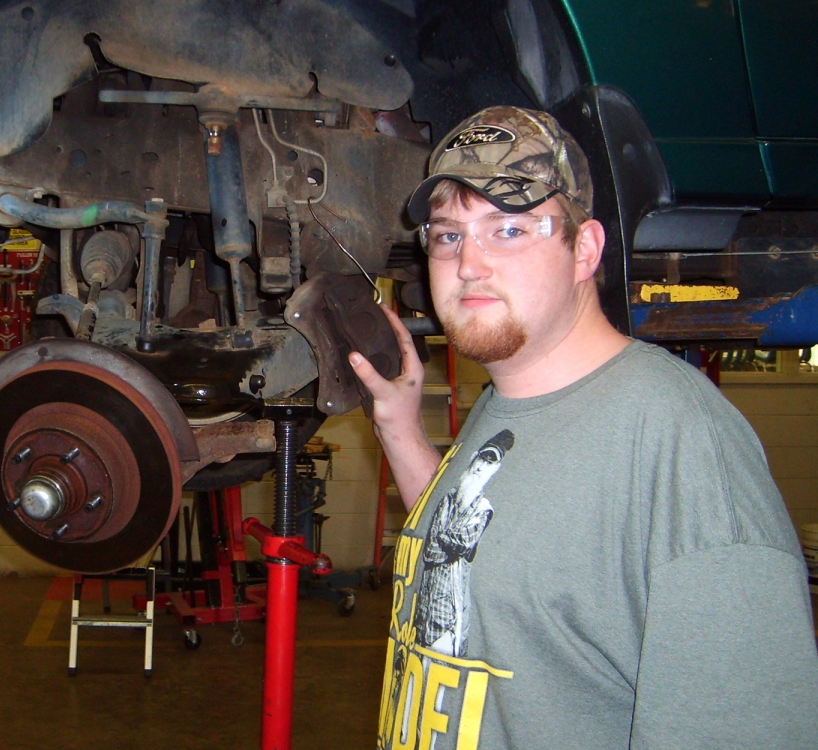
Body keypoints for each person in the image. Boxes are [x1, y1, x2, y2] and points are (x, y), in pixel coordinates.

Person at [351, 105, 818, 749]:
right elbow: (472, 552)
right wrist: (400, 428)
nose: (468, 264)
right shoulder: (504, 404)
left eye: (509, 229)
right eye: (447, 235)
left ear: (585, 249)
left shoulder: (679, 445)